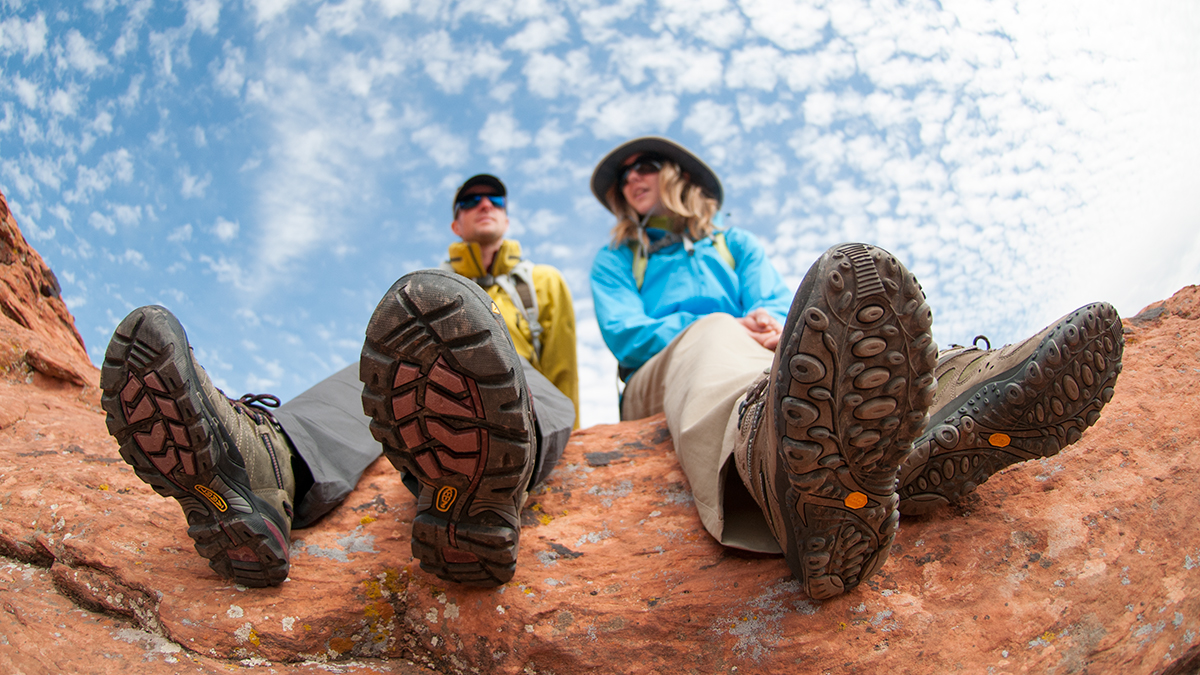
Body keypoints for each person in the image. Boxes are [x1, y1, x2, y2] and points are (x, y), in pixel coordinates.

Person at [589, 136, 1124, 600]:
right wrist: (725, 323)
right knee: (715, 337)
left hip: (764, 353)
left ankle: (932, 414)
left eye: (646, 165)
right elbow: (626, 332)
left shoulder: (734, 245)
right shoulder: (617, 258)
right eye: (625, 174)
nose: (633, 176)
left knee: (826, 340)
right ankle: (770, 456)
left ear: (678, 176)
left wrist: (774, 326)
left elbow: (774, 299)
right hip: (662, 372)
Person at [99, 174, 578, 588]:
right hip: (417, 367)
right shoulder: (435, 284)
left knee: (531, 393)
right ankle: (264, 466)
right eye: (470, 201)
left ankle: (497, 476)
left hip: (520, 377)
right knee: (372, 382)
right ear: (456, 222)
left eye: (494, 199)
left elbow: (562, 368)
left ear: (507, 215)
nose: (484, 206)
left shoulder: (541, 283)